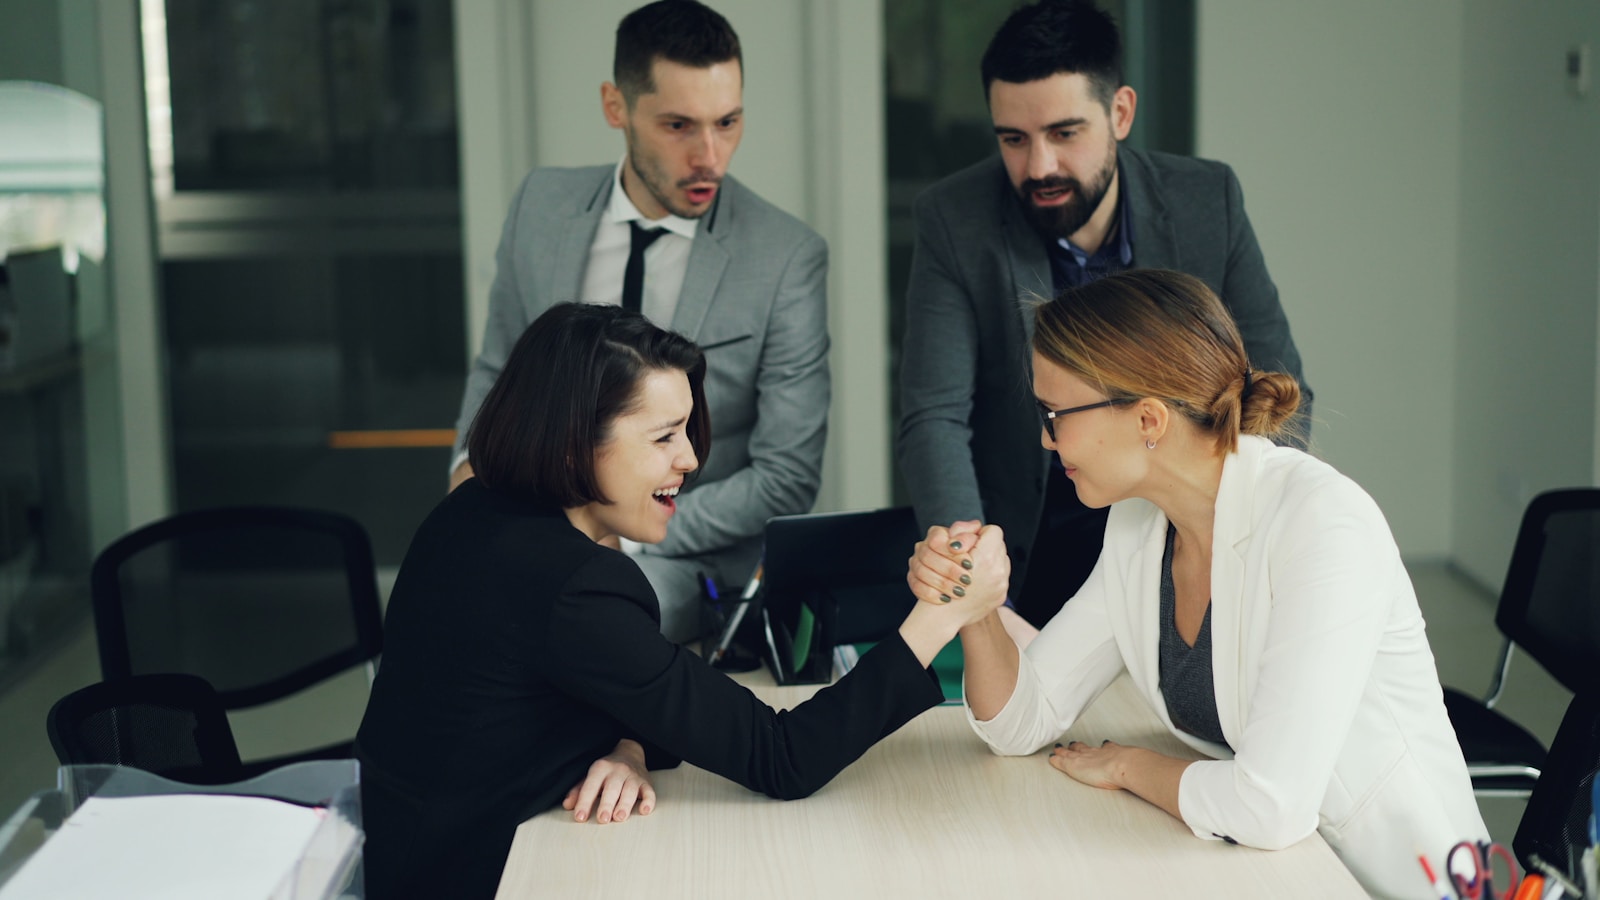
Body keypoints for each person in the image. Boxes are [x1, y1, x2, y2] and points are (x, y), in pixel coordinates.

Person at [359, 303, 1002, 900]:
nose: (691, 458)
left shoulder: (476, 512)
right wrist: (941, 614)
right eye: (664, 437)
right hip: (484, 878)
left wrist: (629, 746)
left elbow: (573, 690)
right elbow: (783, 757)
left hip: (416, 854)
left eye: (687, 431)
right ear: (571, 443)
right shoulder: (574, 586)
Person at [907, 270, 1485, 900]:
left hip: (1401, 879)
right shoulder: (1140, 523)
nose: (1045, 439)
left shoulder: (1322, 524)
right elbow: (1022, 720)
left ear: (1149, 419)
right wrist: (977, 605)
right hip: (1270, 868)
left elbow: (1271, 806)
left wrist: (1130, 765)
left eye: (1055, 414)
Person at [896, 0, 1311, 633]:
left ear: (1120, 113)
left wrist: (1226, 536)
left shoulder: (1208, 201)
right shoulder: (955, 220)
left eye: (1065, 133)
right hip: (1039, 534)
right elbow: (935, 418)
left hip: (1185, 525)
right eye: (1014, 139)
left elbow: (1279, 387)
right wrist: (976, 578)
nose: (1039, 167)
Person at [449, 0, 829, 642]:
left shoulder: (786, 257)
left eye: (728, 122)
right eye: (679, 125)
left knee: (583, 615)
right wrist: (469, 471)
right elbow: (499, 366)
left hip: (677, 553)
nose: (710, 155)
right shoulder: (540, 205)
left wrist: (615, 528)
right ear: (615, 107)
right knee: (454, 610)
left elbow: (785, 477)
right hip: (529, 528)